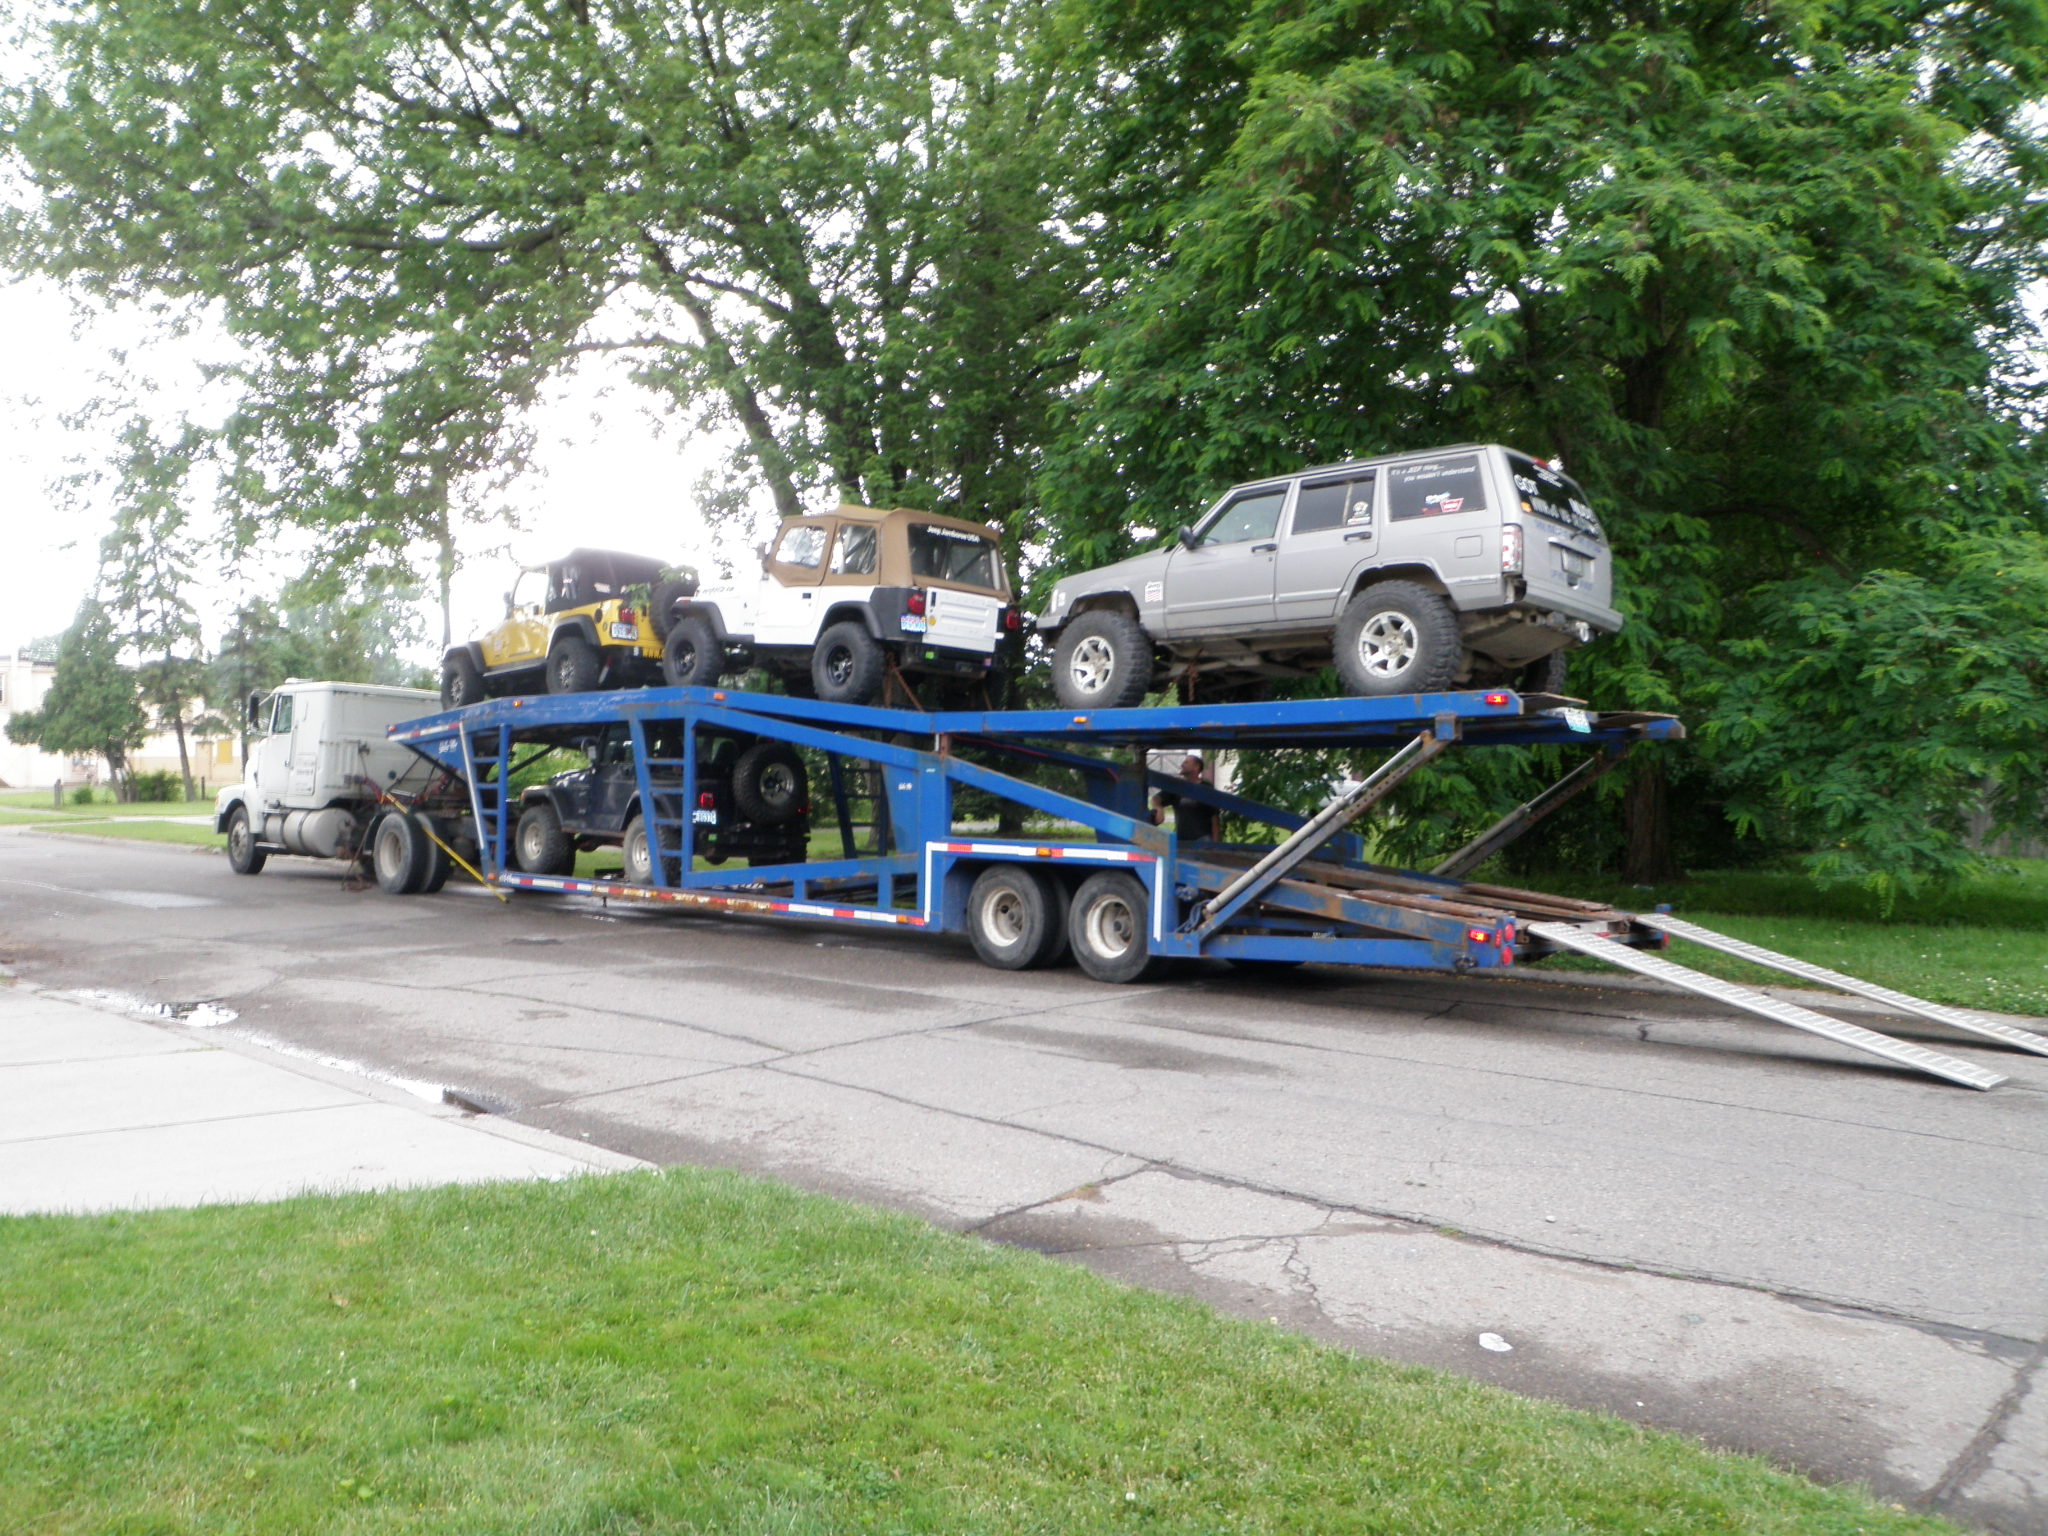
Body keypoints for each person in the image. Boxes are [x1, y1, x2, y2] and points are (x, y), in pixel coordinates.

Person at [1152, 753, 1218, 842]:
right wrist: (1158, 808)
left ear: (1196, 767)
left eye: (1186, 762)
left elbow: (1214, 818)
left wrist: (1215, 844)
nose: (1182, 765)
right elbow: (1156, 798)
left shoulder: (1207, 788)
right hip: (1181, 840)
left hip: (1203, 840)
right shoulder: (1177, 786)